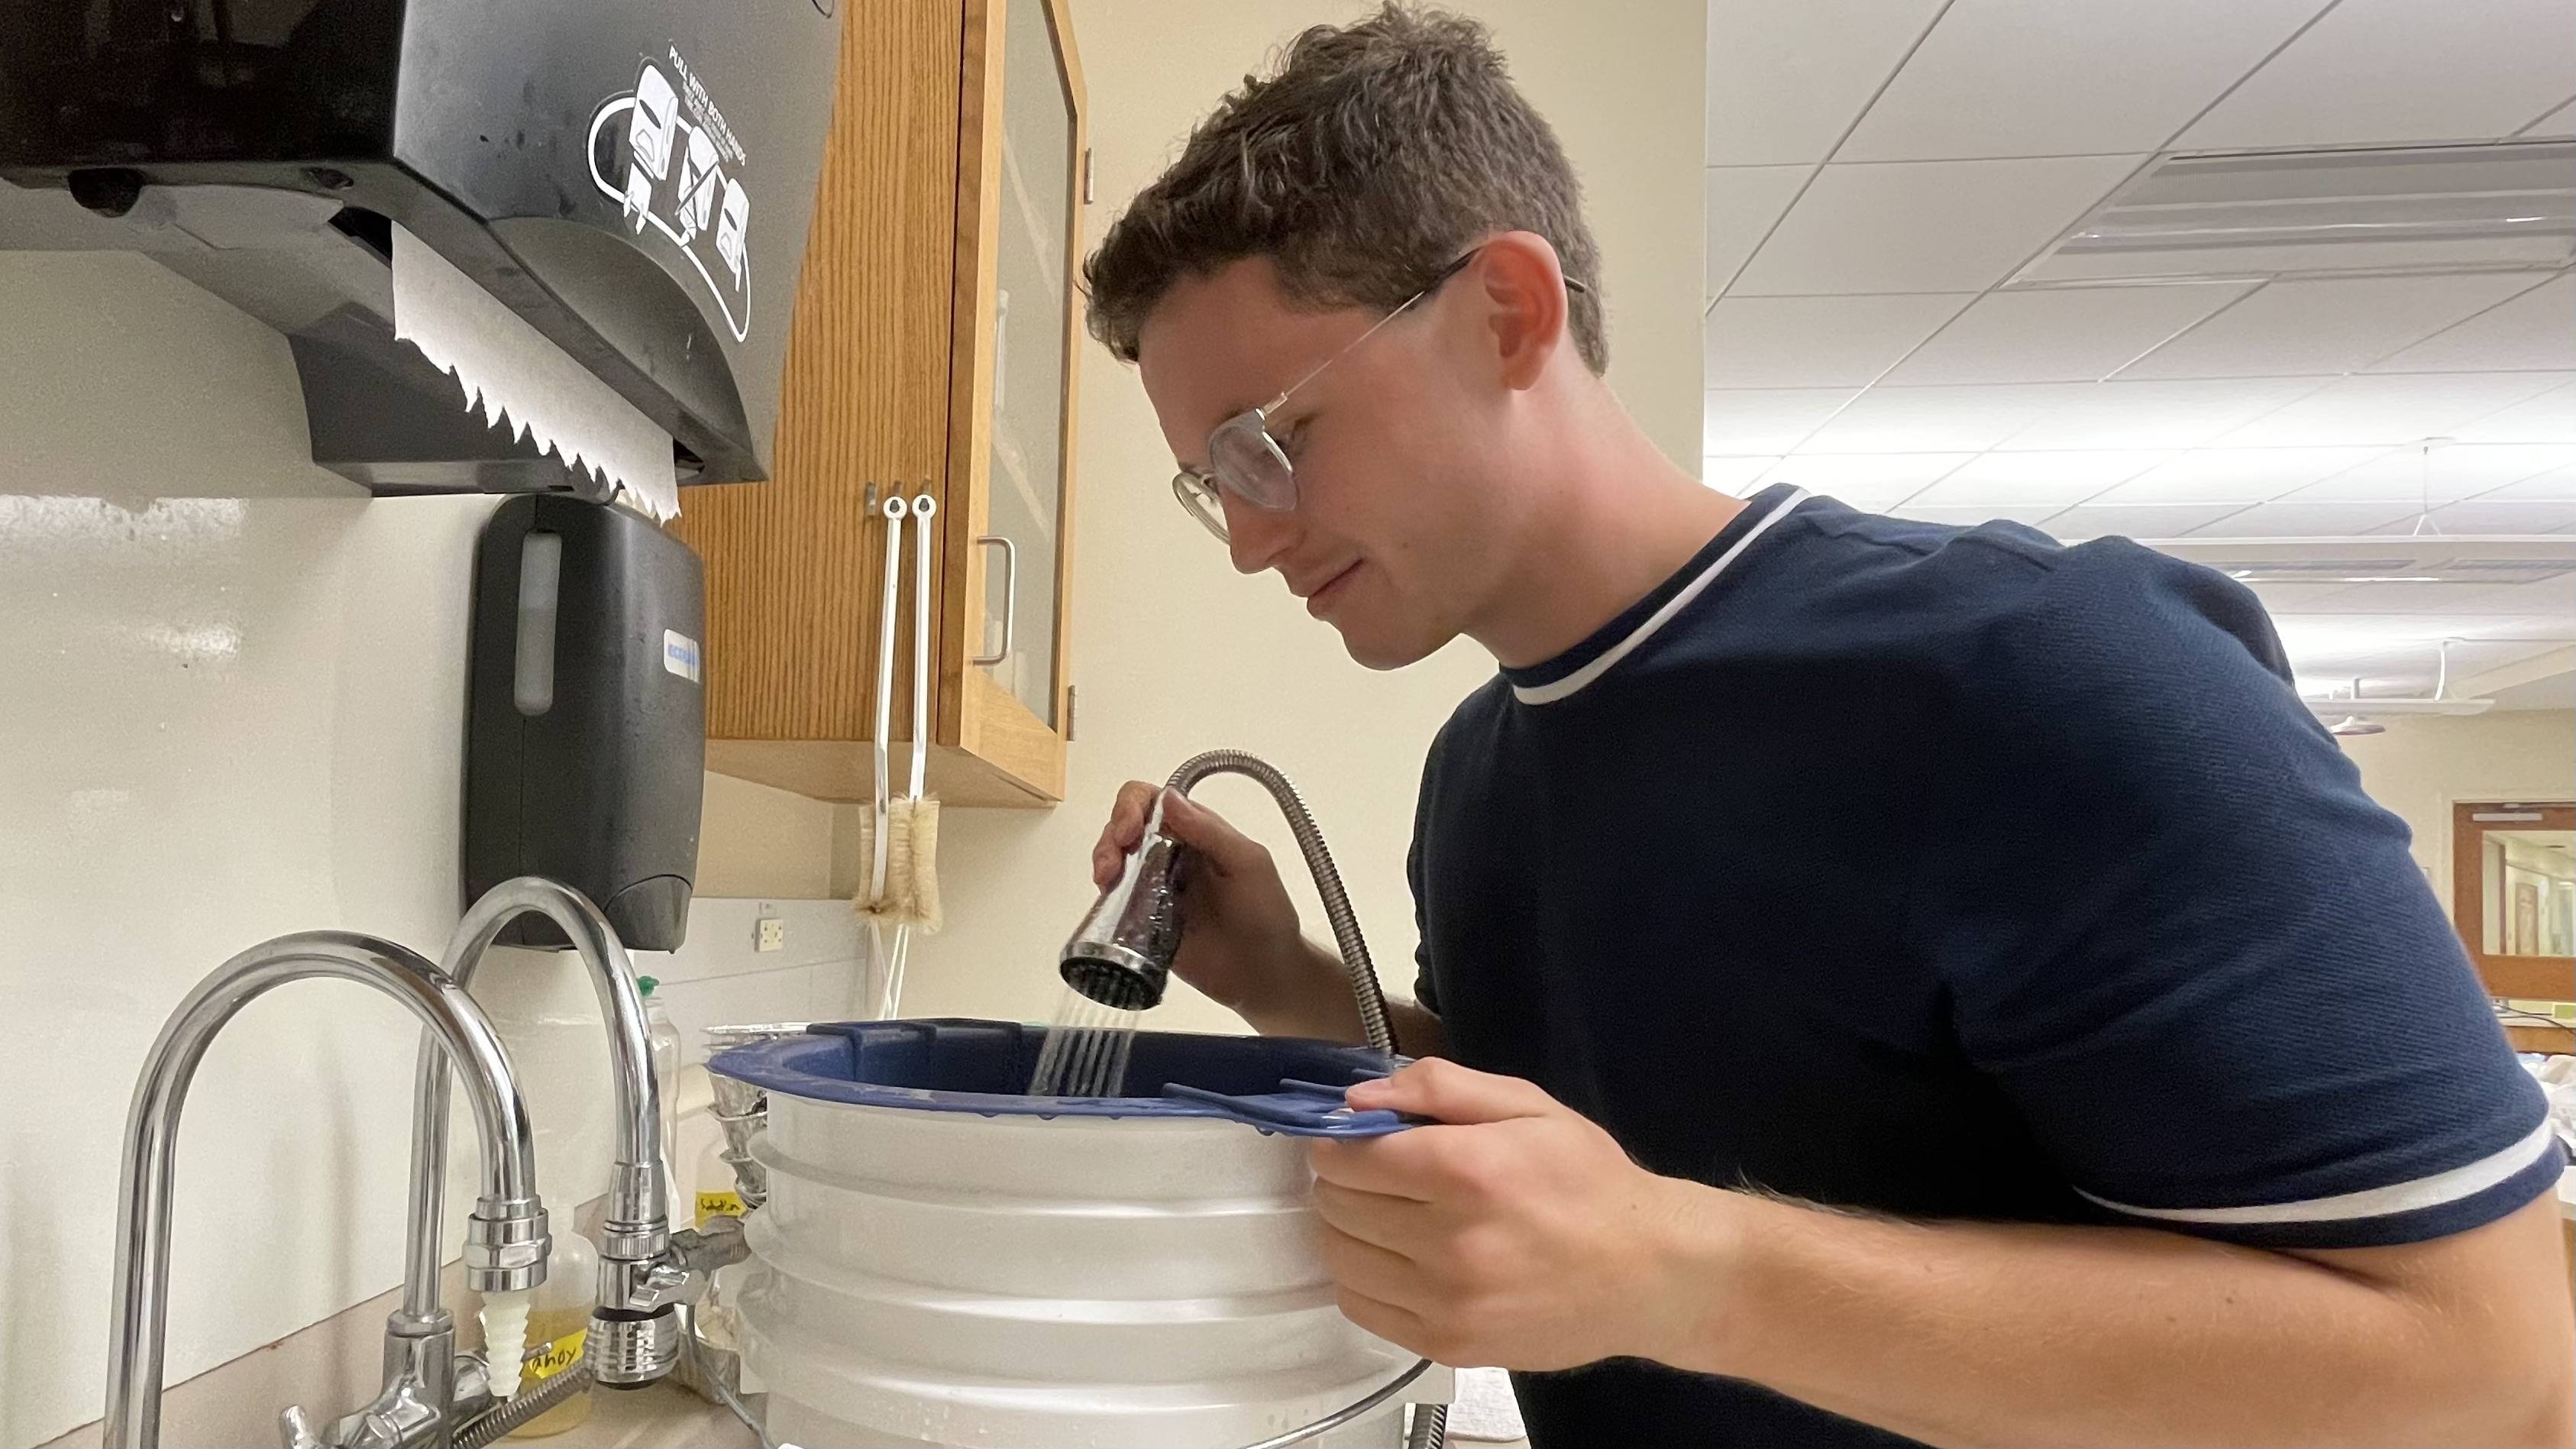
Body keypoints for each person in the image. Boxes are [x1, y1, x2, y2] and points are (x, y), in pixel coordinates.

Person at [1078, 7, 2574, 1445]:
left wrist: (1682, 1274)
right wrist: (1291, 983)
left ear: (1505, 313)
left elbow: (2492, 1367)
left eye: (1271, 445)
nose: (1251, 545)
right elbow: (1604, 1141)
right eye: (1216, 485)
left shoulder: (2046, 675)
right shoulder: (1481, 770)